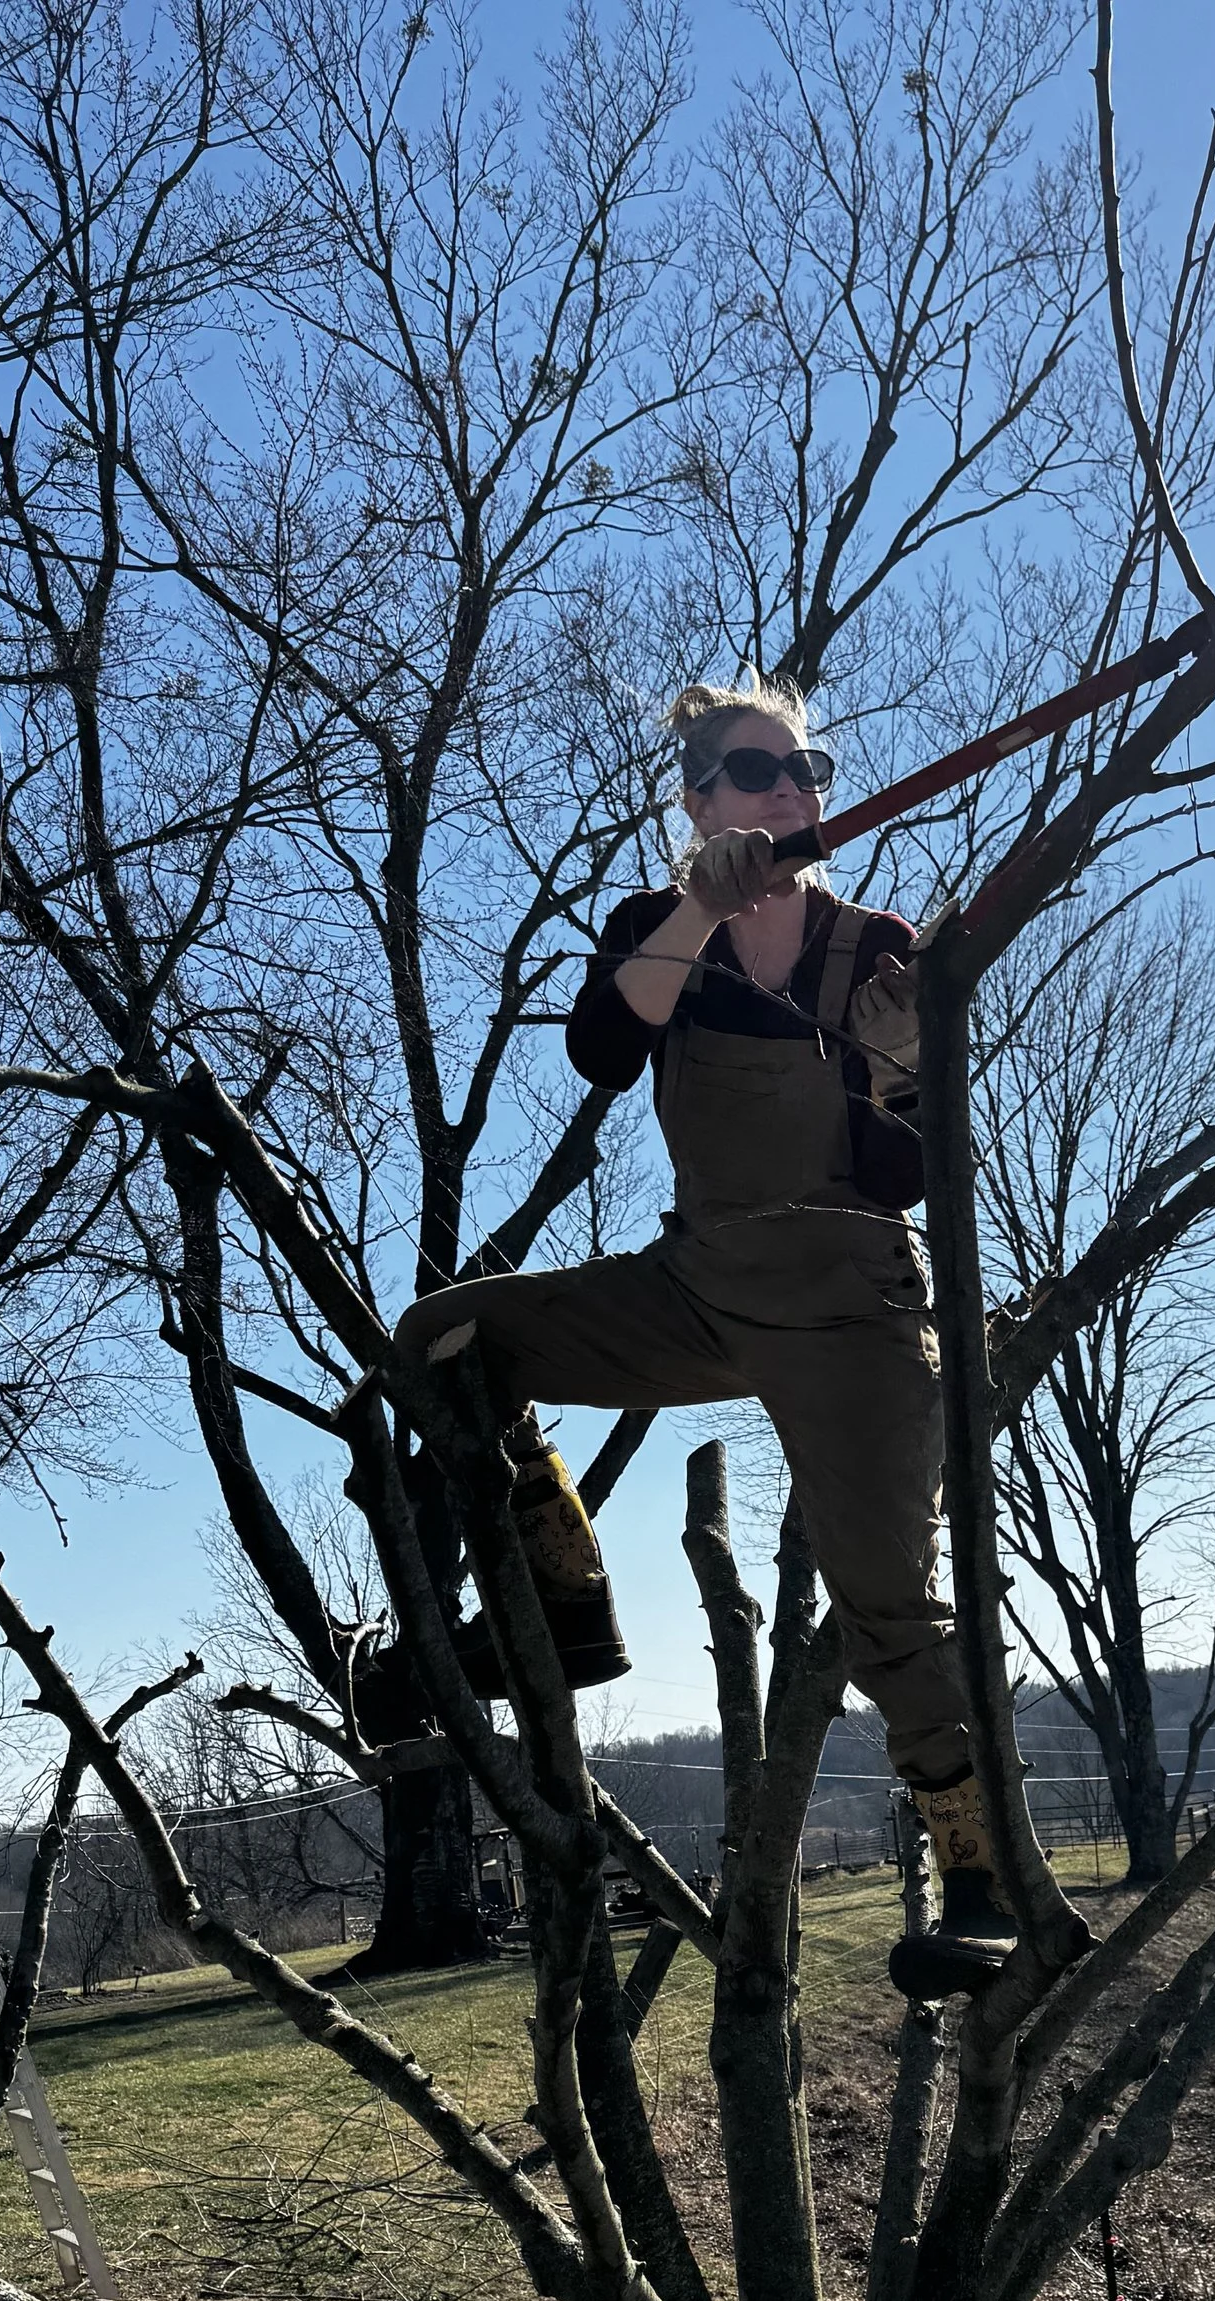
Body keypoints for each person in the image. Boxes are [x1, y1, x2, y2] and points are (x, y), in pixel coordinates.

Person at [385, 675, 1018, 1996]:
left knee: (887, 1602)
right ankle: (568, 1609)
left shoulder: (875, 945)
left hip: (851, 1309)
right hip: (699, 1287)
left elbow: (904, 1172)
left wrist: (906, 1063)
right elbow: (607, 1047)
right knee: (447, 1339)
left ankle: (981, 1884)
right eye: (755, 770)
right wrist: (699, 905)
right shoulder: (661, 930)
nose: (792, 792)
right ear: (698, 798)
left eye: (808, 769)